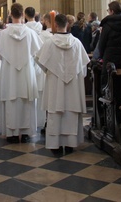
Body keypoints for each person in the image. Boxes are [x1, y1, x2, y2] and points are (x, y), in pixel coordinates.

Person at [36, 14, 90, 154]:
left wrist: (51, 71)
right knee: (70, 112)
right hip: (73, 86)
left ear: (55, 25)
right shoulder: (77, 43)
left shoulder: (49, 43)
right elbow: (83, 68)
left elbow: (41, 62)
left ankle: (56, 145)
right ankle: (71, 144)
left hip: (55, 84)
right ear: (68, 24)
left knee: (56, 111)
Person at [0, 3, 42, 143]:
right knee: (25, 100)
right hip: (26, 71)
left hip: (9, 73)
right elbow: (38, 52)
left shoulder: (3, 34)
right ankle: (26, 132)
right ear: (22, 15)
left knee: (11, 101)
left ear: (10, 15)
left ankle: (12, 133)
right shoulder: (30, 33)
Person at [97, 1, 121, 85]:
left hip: (110, 57)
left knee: (109, 82)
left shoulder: (107, 24)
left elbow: (102, 43)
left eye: (108, 10)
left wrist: (101, 56)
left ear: (112, 11)